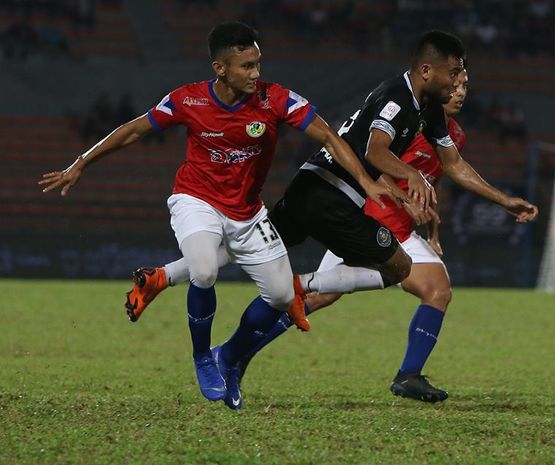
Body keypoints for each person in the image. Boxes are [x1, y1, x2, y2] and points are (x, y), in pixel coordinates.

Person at [127, 31, 538, 408]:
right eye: (454, 73)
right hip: (331, 198)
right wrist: (404, 176)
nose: (459, 81)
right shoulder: (396, 97)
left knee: (245, 255)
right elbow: (377, 152)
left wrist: (504, 200)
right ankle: (247, 335)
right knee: (398, 267)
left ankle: (176, 291)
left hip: (310, 188)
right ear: (427, 70)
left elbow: (454, 164)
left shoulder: (428, 109)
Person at [38, 21, 394, 406]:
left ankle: (228, 355)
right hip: (196, 201)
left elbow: (327, 136)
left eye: (258, 64)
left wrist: (366, 181)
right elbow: (134, 130)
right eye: (247, 67)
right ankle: (202, 357)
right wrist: (82, 162)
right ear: (220, 68)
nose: (256, 74)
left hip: (248, 213)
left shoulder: (275, 100)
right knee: (205, 269)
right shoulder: (188, 100)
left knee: (277, 295)